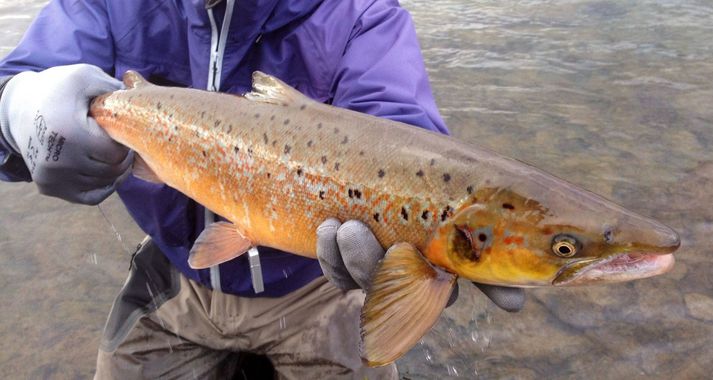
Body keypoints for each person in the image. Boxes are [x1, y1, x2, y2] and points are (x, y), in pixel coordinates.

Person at [0, 0, 525, 378]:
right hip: (176, 278)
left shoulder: (361, 16)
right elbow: (13, 88)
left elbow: (407, 135)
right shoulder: (104, 8)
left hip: (318, 288)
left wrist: (420, 253)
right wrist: (15, 109)